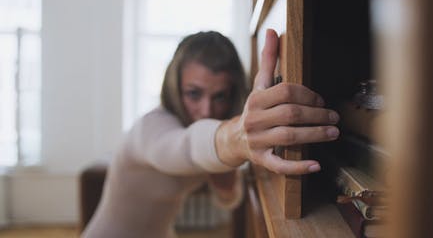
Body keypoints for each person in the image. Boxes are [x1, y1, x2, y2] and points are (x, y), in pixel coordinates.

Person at [81, 29, 339, 238]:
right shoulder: (150, 128)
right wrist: (236, 138)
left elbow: (228, 198)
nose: (206, 110)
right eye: (194, 93)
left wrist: (227, 161)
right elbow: (185, 146)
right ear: (174, 87)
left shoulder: (211, 129)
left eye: (220, 96)